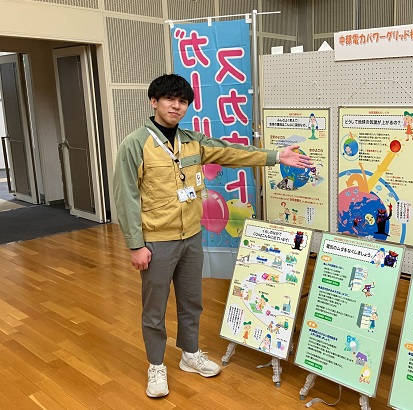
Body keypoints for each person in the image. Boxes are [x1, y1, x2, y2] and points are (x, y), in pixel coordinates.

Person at [112, 74, 312, 398]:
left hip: (192, 236)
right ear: (154, 101)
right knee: (155, 309)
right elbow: (126, 197)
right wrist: (136, 245)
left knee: (191, 301)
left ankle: (190, 354)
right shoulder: (135, 144)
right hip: (157, 240)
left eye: (182, 101)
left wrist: (276, 157)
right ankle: (156, 365)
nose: (176, 106)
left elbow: (232, 153)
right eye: (169, 99)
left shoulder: (193, 141)